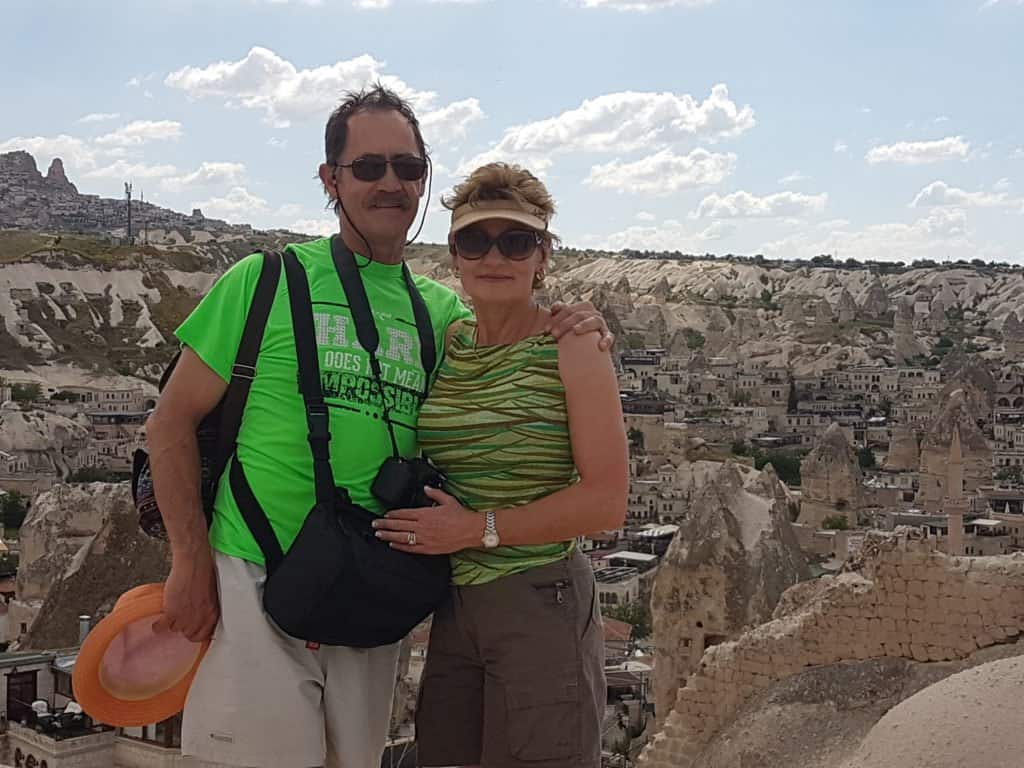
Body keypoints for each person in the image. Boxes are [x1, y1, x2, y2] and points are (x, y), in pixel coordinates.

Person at [145, 85, 611, 768]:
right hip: (253, 577)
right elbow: (169, 425)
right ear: (331, 179)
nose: (390, 183)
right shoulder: (265, 281)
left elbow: (516, 342)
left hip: (370, 593)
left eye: (408, 167)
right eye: (369, 167)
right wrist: (188, 563)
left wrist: (582, 323)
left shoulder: (443, 315)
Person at [373, 162, 628, 768]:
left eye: (516, 241)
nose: (495, 256)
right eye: (475, 239)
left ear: (543, 256)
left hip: (537, 596)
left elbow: (607, 500)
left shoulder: (572, 346)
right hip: (455, 604)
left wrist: (478, 528)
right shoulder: (452, 342)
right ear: (454, 255)